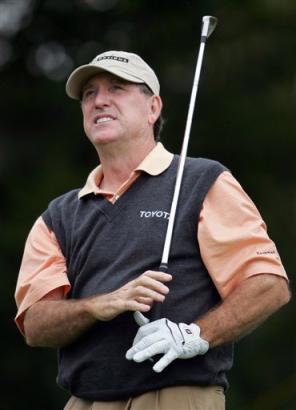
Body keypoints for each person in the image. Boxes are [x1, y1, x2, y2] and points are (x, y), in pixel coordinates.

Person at [15, 50, 290, 410]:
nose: (99, 100)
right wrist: (101, 304)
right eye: (89, 94)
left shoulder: (202, 180)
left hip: (177, 394)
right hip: (84, 401)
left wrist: (195, 335)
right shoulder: (58, 215)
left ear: (153, 108)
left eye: (116, 88)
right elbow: (36, 323)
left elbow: (269, 284)